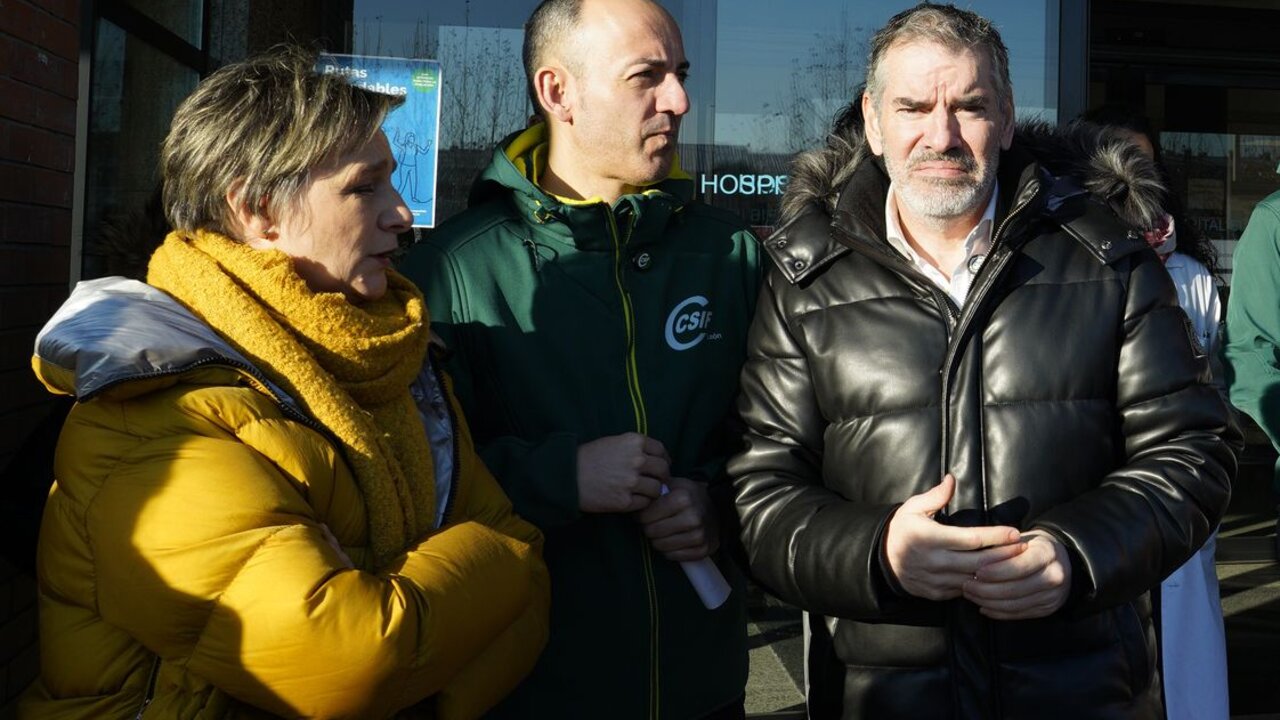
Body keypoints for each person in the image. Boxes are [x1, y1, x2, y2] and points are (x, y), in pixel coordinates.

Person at [729, 4, 1238, 719]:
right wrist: (879, 553)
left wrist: (1075, 553)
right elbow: (761, 495)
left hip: (1080, 691)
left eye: (968, 106)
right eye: (913, 106)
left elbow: (1194, 454)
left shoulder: (1108, 258)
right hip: (883, 700)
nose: (941, 135)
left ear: (1004, 117)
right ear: (873, 122)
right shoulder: (806, 278)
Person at [20, 45, 548, 720]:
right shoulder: (152, 410)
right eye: (365, 188)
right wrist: (503, 559)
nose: (402, 215)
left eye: (393, 183)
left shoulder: (391, 361)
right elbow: (351, 663)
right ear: (258, 211)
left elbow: (522, 612)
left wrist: (413, 620)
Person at [398, 0, 757, 716]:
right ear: (557, 91)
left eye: (680, 74)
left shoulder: (732, 255)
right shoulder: (453, 273)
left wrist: (717, 503)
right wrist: (561, 476)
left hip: (705, 690)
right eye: (646, 76)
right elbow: (410, 484)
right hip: (533, 693)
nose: (680, 100)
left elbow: (779, 445)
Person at [1082, 104, 1229, 720]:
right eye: (1116, 159)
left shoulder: (1192, 276)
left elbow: (1214, 382)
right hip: (1095, 505)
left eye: (1141, 161)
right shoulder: (1066, 269)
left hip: (1175, 510)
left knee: (1182, 670)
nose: (1130, 176)